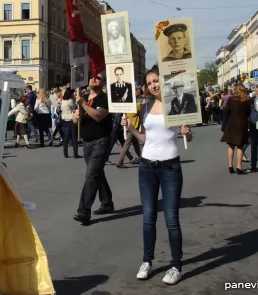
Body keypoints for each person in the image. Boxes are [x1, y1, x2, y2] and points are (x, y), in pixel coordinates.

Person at [122, 66, 192, 285]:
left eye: (156, 81)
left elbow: (189, 136)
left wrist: (187, 132)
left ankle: (176, 266)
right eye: (150, 82)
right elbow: (145, 138)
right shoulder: (145, 106)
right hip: (146, 167)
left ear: (164, 82)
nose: (153, 85)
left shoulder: (176, 103)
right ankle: (147, 260)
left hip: (170, 167)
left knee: (171, 218)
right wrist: (131, 129)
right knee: (148, 216)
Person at [73, 71, 114, 224]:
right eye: (92, 77)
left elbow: (98, 116)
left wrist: (83, 104)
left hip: (100, 141)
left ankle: (84, 211)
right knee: (98, 174)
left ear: (103, 83)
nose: (94, 79)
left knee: (91, 176)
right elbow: (75, 119)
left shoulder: (105, 98)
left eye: (98, 78)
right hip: (86, 142)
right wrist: (76, 116)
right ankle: (107, 203)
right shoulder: (83, 96)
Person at [220, 84, 251, 175]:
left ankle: (230, 166)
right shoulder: (246, 100)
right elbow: (248, 113)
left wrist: (224, 125)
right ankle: (239, 167)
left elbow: (226, 111)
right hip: (242, 124)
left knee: (231, 145)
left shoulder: (231, 99)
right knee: (240, 146)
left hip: (231, 123)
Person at [60, 88, 79, 158]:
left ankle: (65, 153)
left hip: (64, 118)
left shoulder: (63, 100)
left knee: (66, 137)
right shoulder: (70, 100)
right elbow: (74, 107)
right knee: (74, 137)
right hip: (71, 118)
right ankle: (75, 153)